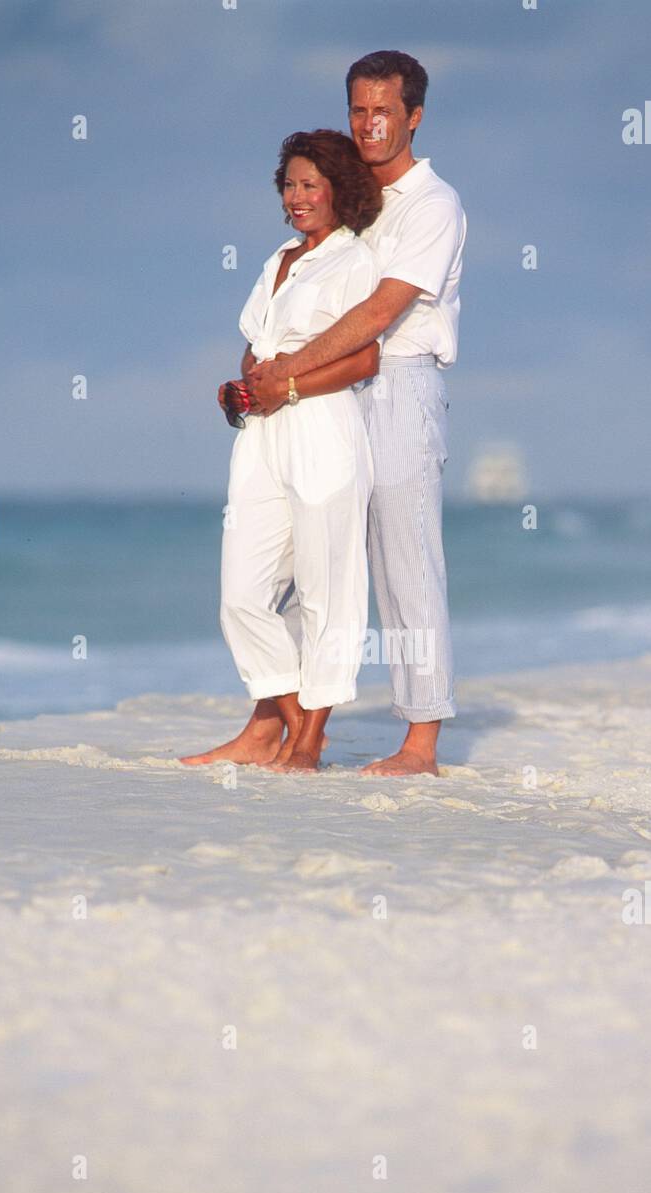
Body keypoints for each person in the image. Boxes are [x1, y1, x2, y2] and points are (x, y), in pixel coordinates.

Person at [246, 51, 466, 776]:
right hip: (326, 391)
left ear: (414, 117)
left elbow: (379, 311)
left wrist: (288, 371)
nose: (369, 124)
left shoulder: (433, 205)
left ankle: (421, 743)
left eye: (384, 111)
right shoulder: (348, 196)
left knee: (405, 563)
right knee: (294, 559)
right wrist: (270, 368)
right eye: (358, 110)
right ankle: (273, 723)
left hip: (399, 387)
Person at [181, 130, 382, 773]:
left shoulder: (357, 259)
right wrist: (245, 385)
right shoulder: (278, 260)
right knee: (241, 593)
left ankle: (308, 742)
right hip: (262, 434)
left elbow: (365, 357)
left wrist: (289, 384)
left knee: (327, 589)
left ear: (338, 191)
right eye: (289, 185)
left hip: (322, 426)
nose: (297, 197)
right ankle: (292, 721)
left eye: (310, 185)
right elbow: (255, 341)